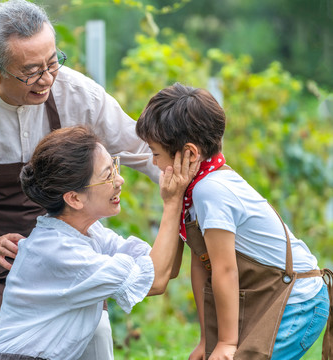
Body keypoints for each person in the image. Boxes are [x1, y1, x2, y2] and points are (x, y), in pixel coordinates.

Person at [0, 0, 161, 359]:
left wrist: (195, 187)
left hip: (61, 252)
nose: (48, 79)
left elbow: (140, 148)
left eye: (53, 63)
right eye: (32, 71)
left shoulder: (78, 94)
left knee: (96, 330)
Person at [135, 83, 333, 360]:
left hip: (297, 301)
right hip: (275, 296)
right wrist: (208, 340)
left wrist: (226, 342)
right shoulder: (193, 192)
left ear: (189, 154)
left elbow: (225, 270)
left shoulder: (211, 191)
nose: (153, 163)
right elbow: (203, 266)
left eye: (155, 153)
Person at [0, 125, 196, 360]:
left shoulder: (88, 233)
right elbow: (156, 281)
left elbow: (164, 268)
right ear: (74, 198)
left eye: (114, 167)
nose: (120, 180)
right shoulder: (59, 250)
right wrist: (173, 202)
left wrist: (181, 200)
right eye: (108, 175)